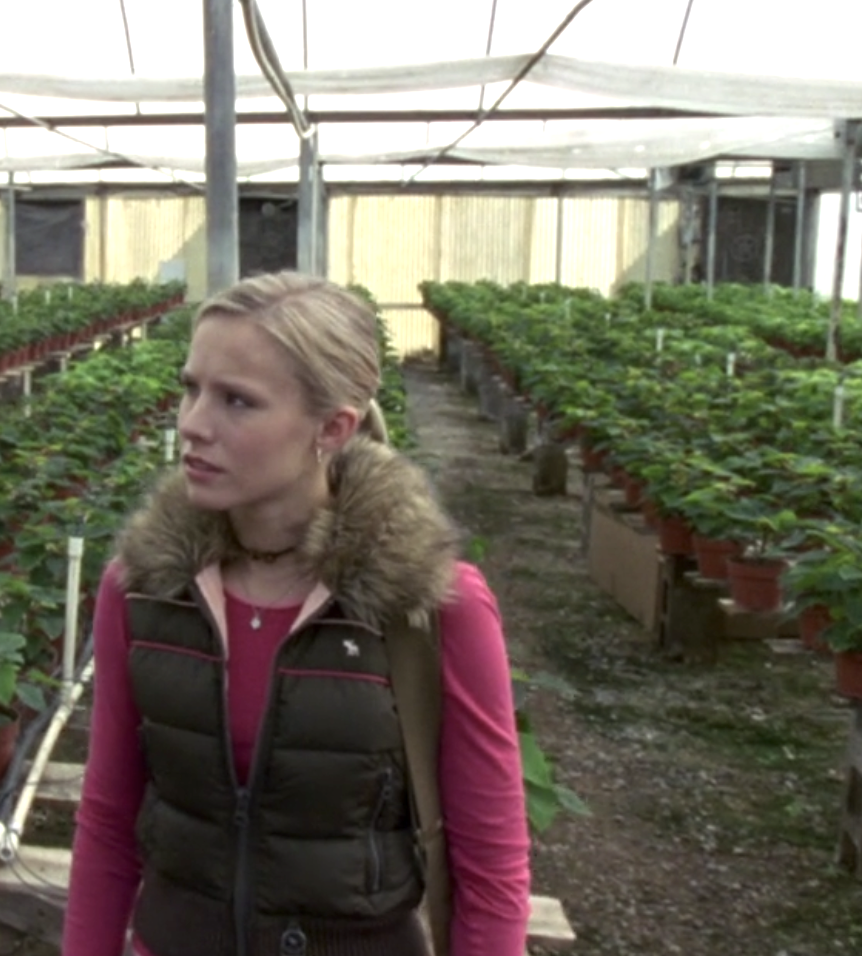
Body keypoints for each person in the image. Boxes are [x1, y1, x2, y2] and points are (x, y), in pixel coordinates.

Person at [63, 272, 530, 956]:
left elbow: (490, 867)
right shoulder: (140, 589)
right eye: (192, 388)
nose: (193, 423)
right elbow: (107, 819)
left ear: (332, 428)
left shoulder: (429, 607)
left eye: (237, 401)